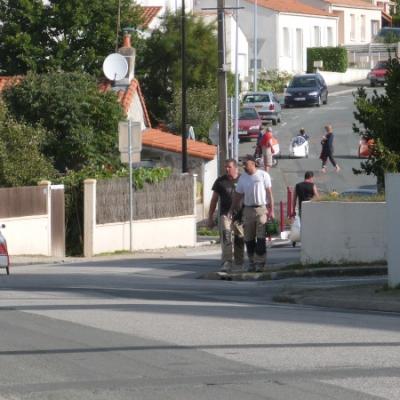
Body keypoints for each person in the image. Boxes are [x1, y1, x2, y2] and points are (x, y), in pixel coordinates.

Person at [229, 155, 274, 272]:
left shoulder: (263, 175)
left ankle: (260, 262)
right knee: (249, 239)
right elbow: (238, 195)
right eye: (243, 163)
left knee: (260, 237)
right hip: (248, 210)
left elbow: (269, 193)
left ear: (253, 163)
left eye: (246, 163)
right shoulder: (242, 178)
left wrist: (272, 210)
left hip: (261, 209)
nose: (244, 165)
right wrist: (231, 209)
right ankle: (252, 262)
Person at [208, 159, 244, 272]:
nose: (227, 169)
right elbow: (214, 200)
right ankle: (227, 262)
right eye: (225, 167)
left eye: (229, 167)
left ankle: (239, 262)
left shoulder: (243, 179)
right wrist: (210, 217)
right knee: (226, 236)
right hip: (225, 214)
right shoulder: (220, 181)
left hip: (240, 214)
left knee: (239, 238)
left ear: (235, 168)